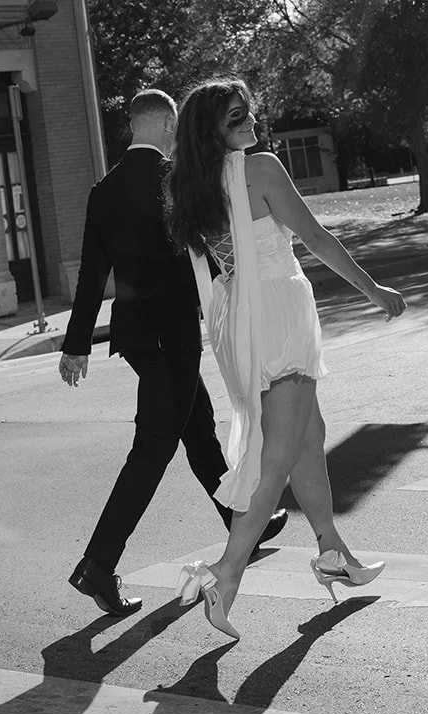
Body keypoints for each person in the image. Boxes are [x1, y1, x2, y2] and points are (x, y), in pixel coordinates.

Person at [165, 78, 406, 639]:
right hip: (279, 314)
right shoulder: (263, 169)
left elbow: (216, 267)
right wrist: (373, 291)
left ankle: (331, 550)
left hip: (238, 325)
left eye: (248, 112)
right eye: (234, 118)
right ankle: (224, 574)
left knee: (306, 434)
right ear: (211, 132)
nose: (249, 122)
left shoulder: (190, 186)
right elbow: (316, 239)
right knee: (276, 456)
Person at [59, 88, 286, 618]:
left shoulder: (103, 190)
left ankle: (239, 522)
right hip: (174, 334)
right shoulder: (173, 179)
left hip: (138, 337)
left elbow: (92, 274)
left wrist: (76, 345)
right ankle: (97, 564)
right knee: (153, 448)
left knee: (197, 427)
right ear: (165, 125)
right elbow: (209, 243)